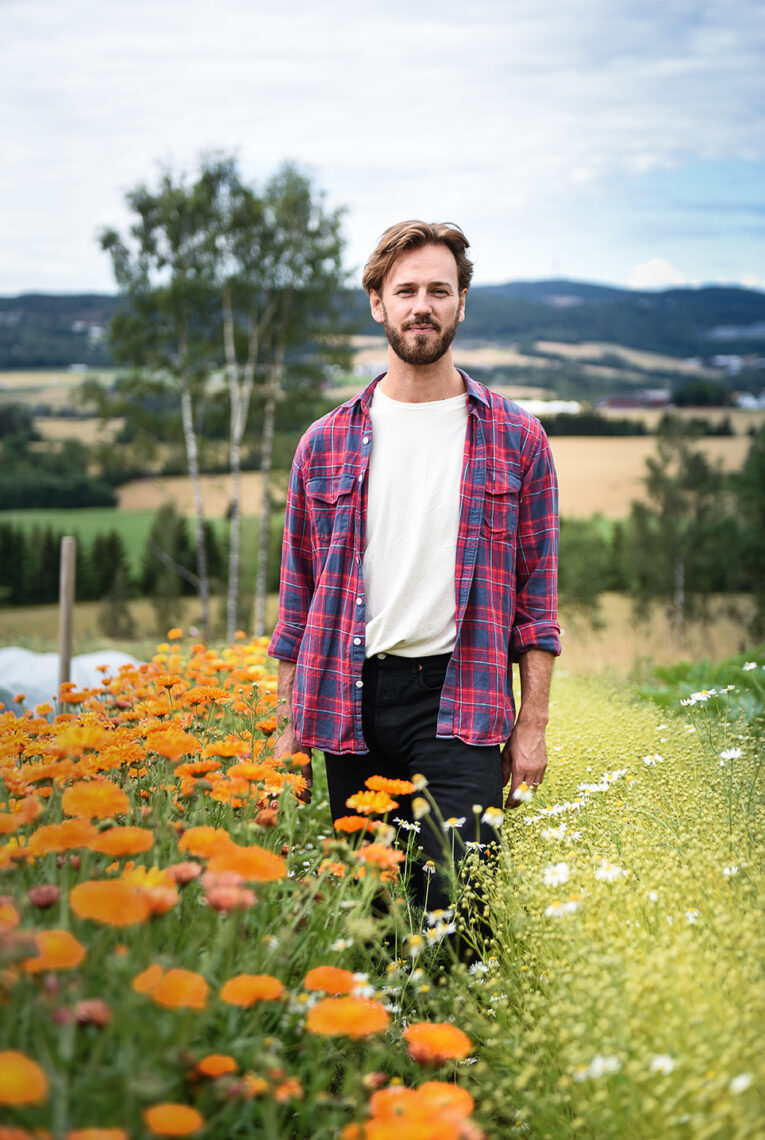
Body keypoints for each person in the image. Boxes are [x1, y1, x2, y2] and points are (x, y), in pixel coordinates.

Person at [269, 220, 560, 911]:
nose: (421, 305)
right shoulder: (323, 444)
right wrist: (286, 725)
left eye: (438, 289)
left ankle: (455, 1015)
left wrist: (533, 725)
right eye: (405, 290)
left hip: (458, 702)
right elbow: (297, 604)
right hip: (349, 702)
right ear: (378, 303)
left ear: (461, 302)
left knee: (457, 910)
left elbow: (536, 604)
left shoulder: (517, 439)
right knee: (369, 912)